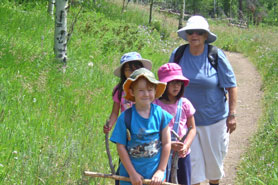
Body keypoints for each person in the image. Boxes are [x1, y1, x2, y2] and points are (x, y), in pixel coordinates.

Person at [169, 15, 237, 185]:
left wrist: (232, 114)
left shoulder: (215, 55)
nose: (194, 35)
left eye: (199, 32)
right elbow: (168, 82)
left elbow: (231, 85)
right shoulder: (178, 54)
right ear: (186, 34)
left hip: (214, 120)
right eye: (191, 32)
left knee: (214, 167)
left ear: (205, 35)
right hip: (187, 122)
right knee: (192, 168)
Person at [110, 68, 173, 185]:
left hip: (155, 178)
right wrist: (132, 173)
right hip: (131, 178)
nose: (146, 94)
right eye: (141, 90)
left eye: (150, 90)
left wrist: (161, 170)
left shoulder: (161, 115)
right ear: (132, 92)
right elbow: (121, 147)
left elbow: (166, 143)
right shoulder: (125, 118)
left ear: (155, 91)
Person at [154, 63, 196, 185]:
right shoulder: (155, 105)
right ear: (163, 85)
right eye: (172, 82)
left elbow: (192, 128)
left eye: (179, 82)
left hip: (182, 156)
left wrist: (186, 145)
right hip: (161, 155)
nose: (176, 86)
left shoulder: (185, 104)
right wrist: (167, 144)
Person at [103, 52, 152, 134]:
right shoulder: (120, 90)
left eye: (136, 69)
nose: (132, 72)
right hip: (127, 129)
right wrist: (110, 124)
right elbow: (115, 112)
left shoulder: (148, 87)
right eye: (128, 70)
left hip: (145, 128)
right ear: (123, 73)